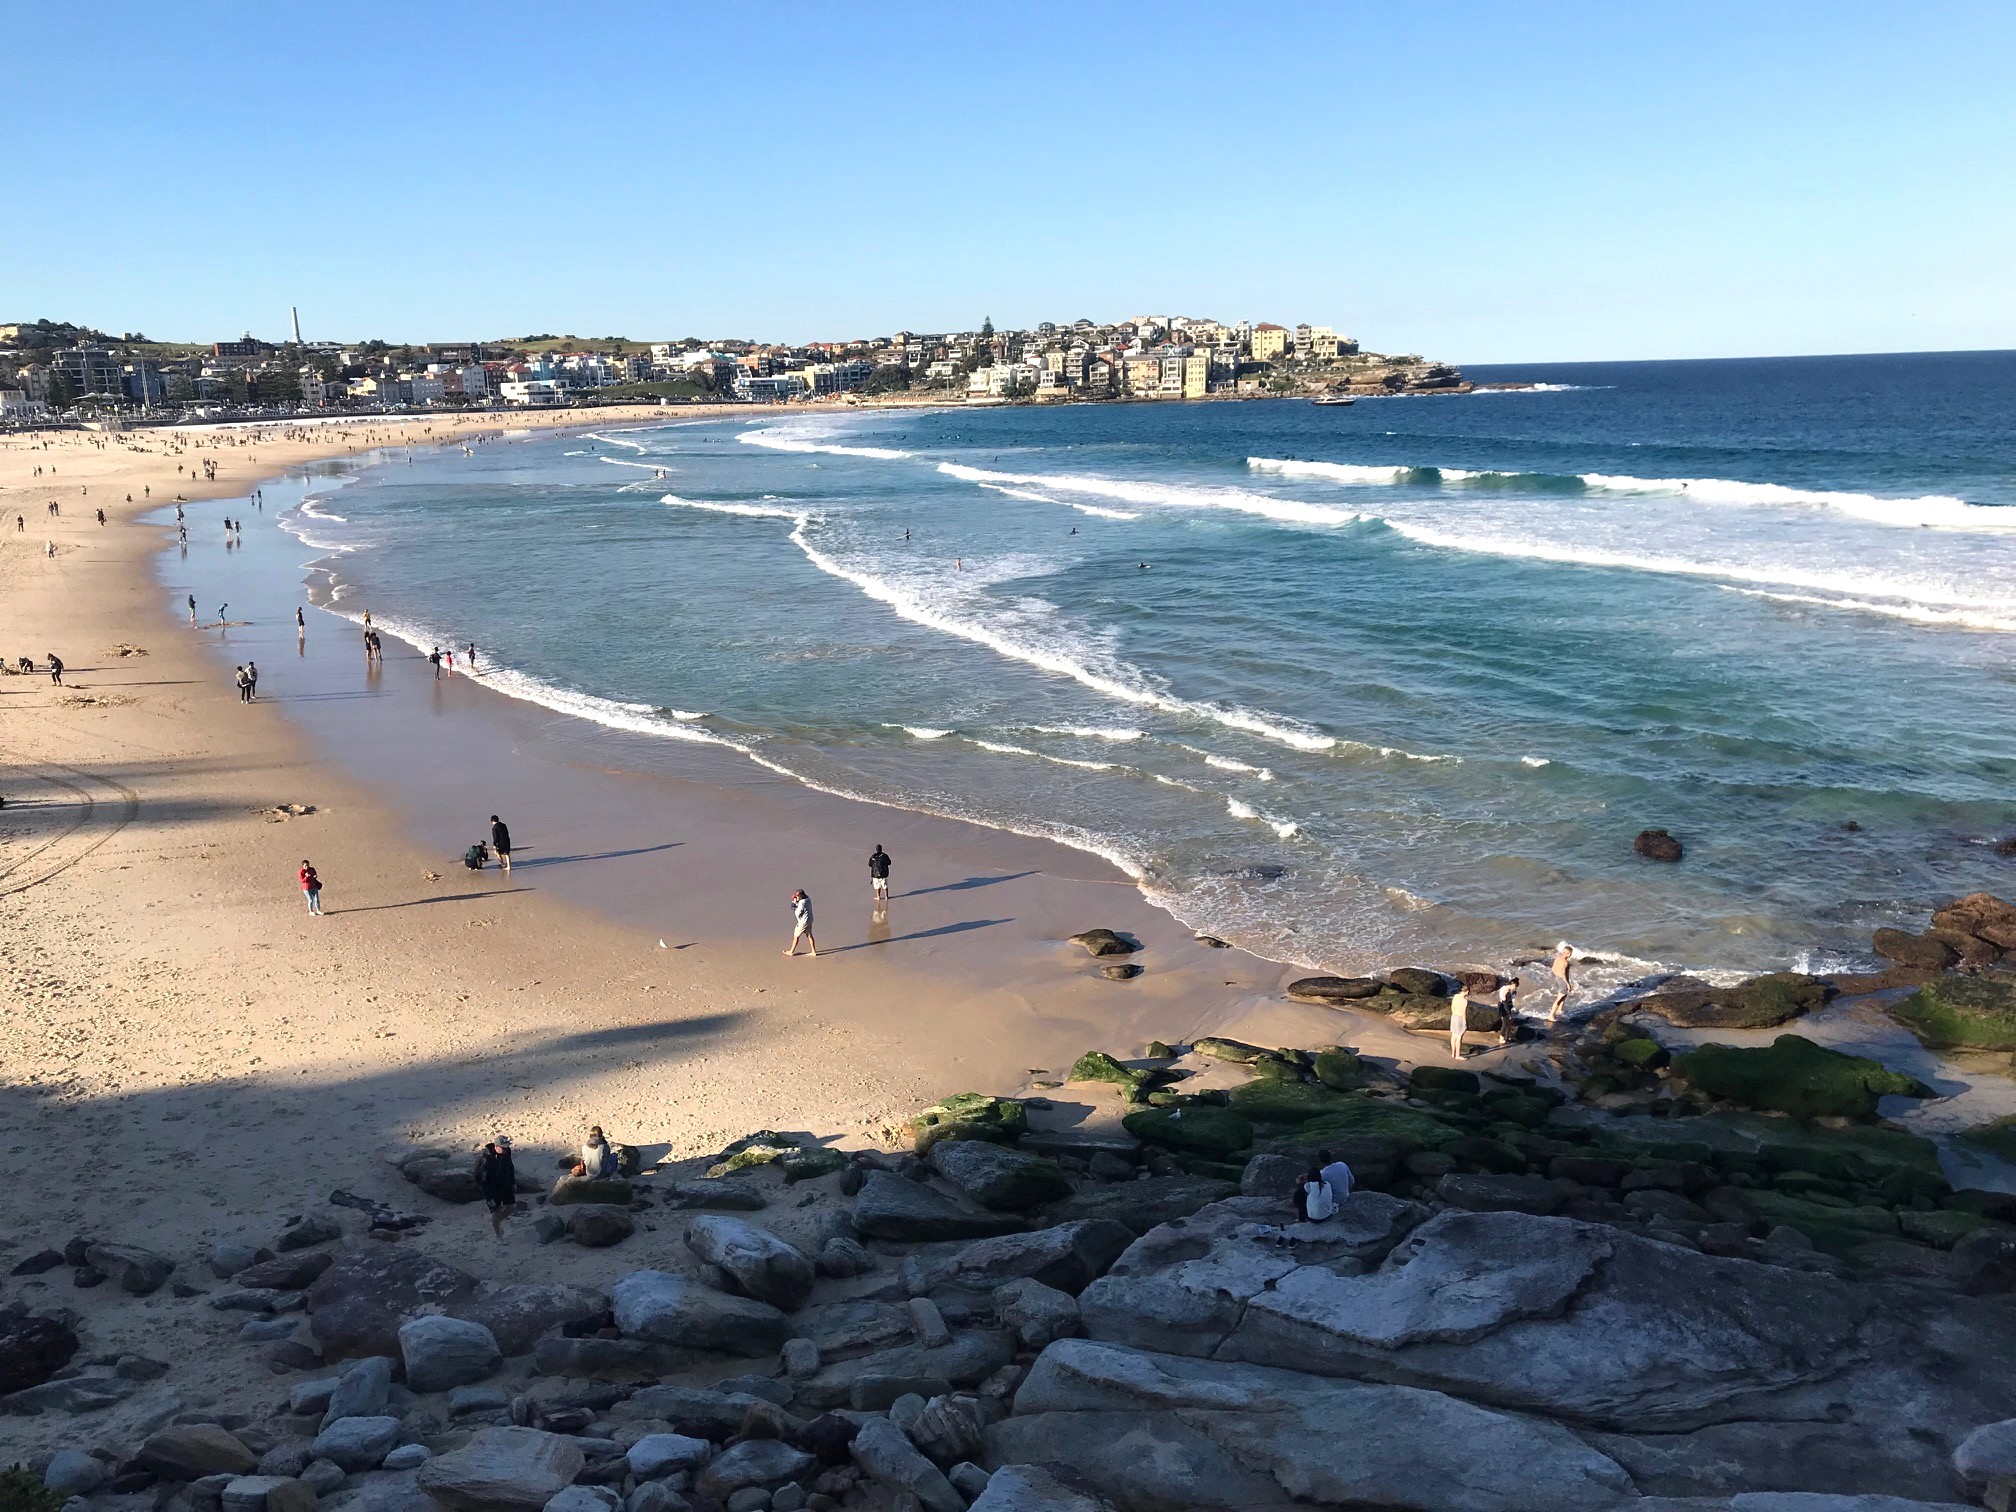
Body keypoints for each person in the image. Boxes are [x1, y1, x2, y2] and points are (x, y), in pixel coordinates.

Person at [475, 1137, 517, 1241]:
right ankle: (498, 1234)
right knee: (496, 1211)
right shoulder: (486, 1159)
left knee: (511, 1207)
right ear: (496, 1147)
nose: (506, 1150)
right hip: (492, 1189)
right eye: (503, 1148)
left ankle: (498, 1223)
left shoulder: (507, 1152)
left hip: (505, 1185)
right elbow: (482, 1180)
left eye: (507, 1148)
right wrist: (489, 1197)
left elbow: (510, 1167)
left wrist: (512, 1182)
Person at [785, 889, 818, 957]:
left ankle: (791, 951)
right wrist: (797, 902)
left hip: (803, 922)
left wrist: (794, 904)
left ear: (800, 896)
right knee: (809, 934)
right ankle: (813, 952)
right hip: (809, 919)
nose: (796, 897)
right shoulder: (808, 898)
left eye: (797, 896)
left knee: (796, 935)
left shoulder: (802, 903)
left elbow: (797, 913)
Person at [1449, 985, 1470, 1062]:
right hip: (1459, 1018)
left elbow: (1452, 1007)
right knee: (1459, 1037)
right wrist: (1465, 1022)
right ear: (1467, 991)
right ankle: (1457, 1055)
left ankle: (1453, 1053)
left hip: (1454, 1016)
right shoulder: (1465, 1001)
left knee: (1453, 1035)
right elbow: (1463, 1012)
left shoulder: (1456, 996)